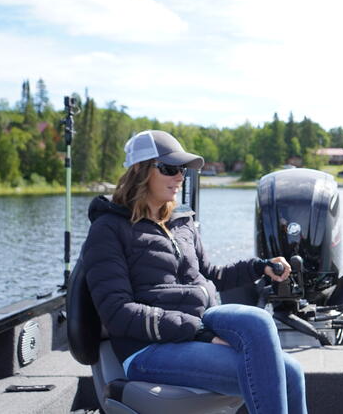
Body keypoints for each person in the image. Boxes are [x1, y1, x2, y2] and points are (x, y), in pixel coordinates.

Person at [81, 130, 308, 414]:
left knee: (270, 336)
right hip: (146, 348)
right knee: (281, 375)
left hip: (200, 322)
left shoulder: (180, 221)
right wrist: (198, 331)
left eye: (182, 170)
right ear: (139, 171)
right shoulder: (108, 230)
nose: (180, 177)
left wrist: (258, 266)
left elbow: (210, 274)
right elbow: (118, 312)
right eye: (170, 168)